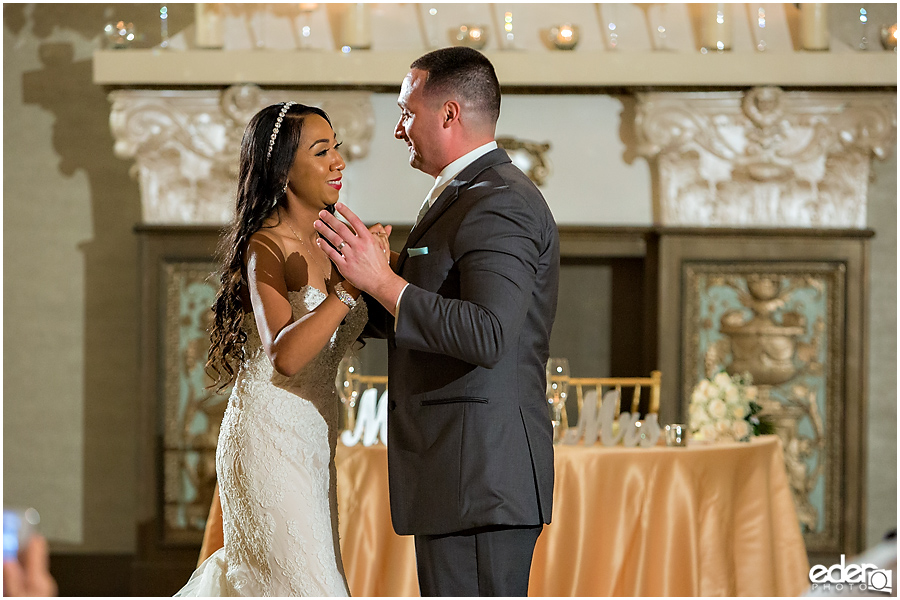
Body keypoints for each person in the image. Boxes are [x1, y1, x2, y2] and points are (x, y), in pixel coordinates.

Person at [316, 46, 559, 597]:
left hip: (479, 477)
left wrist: (384, 281)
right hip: (459, 475)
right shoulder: (466, 193)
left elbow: (487, 333)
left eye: (406, 112)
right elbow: (430, 310)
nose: (399, 129)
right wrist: (356, 281)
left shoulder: (500, 201)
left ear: (448, 113)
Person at [175, 101, 390, 596]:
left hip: (314, 436)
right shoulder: (265, 246)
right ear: (283, 170)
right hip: (266, 435)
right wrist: (352, 288)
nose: (339, 161)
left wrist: (378, 262)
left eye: (337, 147)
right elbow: (287, 356)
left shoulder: (340, 239)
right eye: (322, 151)